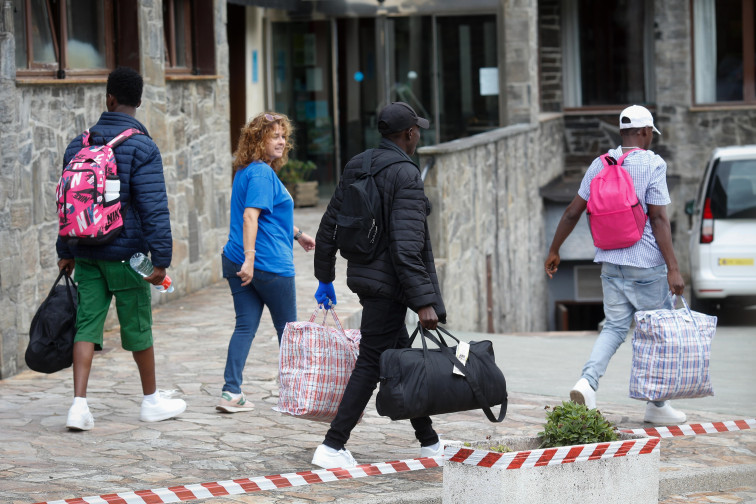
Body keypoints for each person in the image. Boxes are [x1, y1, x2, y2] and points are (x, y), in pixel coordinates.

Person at [310, 102, 447, 468]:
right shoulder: (405, 174)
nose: (418, 135)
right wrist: (424, 301)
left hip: (366, 279)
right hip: (390, 284)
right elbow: (407, 246)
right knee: (372, 362)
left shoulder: (358, 164)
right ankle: (332, 446)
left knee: (399, 355)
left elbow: (329, 225)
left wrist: (325, 275)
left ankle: (429, 441)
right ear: (408, 134)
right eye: (416, 130)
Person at [57, 67, 186, 431]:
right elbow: (154, 208)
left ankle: (78, 406)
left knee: (87, 326)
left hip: (85, 252)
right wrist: (160, 261)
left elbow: (68, 203)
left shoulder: (78, 144)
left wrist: (65, 249)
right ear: (139, 102)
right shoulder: (141, 146)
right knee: (138, 327)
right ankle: (150, 401)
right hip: (128, 256)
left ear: (108, 98)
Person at [544, 105, 686, 425]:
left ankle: (587, 383)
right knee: (656, 334)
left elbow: (571, 212)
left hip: (610, 262)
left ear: (622, 133)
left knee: (614, 328)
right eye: (650, 133)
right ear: (646, 132)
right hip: (647, 266)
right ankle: (657, 405)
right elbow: (660, 218)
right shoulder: (652, 164)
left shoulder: (599, 164)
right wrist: (674, 268)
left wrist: (554, 250)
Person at [217, 112, 315, 413]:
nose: (282, 142)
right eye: (274, 136)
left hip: (236, 259)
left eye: (283, 136)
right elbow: (250, 217)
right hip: (267, 265)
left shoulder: (247, 171)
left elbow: (270, 216)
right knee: (289, 331)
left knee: (245, 326)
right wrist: (250, 259)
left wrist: (297, 234)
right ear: (258, 140)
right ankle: (296, 395)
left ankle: (231, 392)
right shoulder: (261, 173)